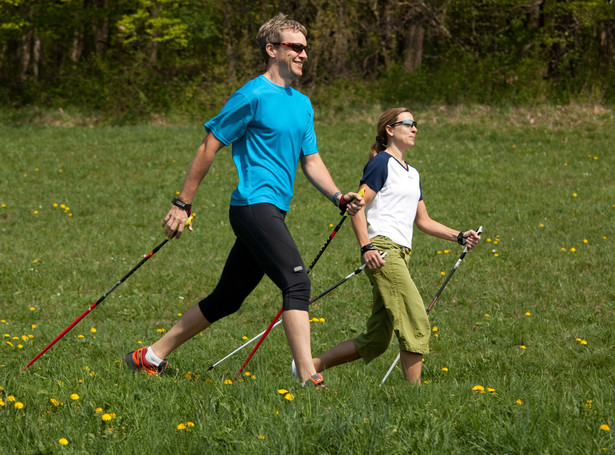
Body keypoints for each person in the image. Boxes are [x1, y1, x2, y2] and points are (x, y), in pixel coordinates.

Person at [124, 14, 363, 387]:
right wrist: (181, 203)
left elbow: (311, 160)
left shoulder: (302, 105)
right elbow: (210, 144)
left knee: (228, 298)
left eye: (305, 48)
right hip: (253, 206)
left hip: (274, 211)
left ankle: (150, 356)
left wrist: (336, 195)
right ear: (272, 49)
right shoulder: (251, 95)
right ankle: (307, 375)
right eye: (295, 47)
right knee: (297, 283)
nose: (303, 54)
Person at [303, 107, 480, 384]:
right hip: (383, 252)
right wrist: (367, 248)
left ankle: (307, 368)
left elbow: (423, 221)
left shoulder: (413, 173)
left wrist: (459, 236)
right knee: (415, 319)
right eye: (407, 123)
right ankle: (415, 398)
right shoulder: (381, 163)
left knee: (377, 339)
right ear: (389, 130)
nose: (414, 128)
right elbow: (357, 207)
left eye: (415, 123)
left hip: (402, 254)